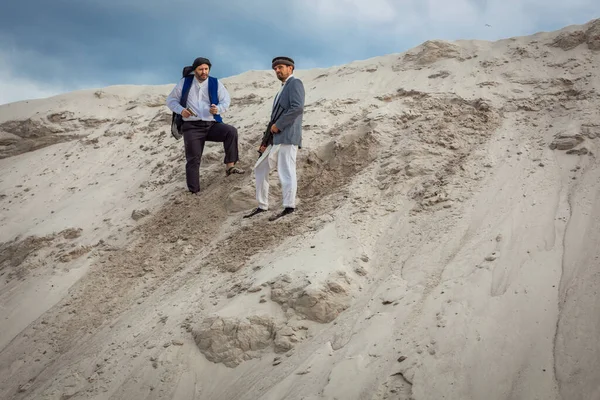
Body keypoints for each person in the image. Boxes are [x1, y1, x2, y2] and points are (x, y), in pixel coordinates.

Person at [166, 57, 244, 195]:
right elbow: (171, 100)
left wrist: (218, 109)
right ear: (195, 70)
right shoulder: (185, 82)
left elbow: (226, 101)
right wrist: (181, 110)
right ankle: (194, 191)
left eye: (206, 69)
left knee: (230, 132)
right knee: (193, 158)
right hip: (191, 127)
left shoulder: (215, 82)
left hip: (211, 124)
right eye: (201, 69)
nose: (204, 72)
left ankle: (230, 167)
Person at [244, 56, 305, 221]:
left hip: (288, 135)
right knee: (260, 167)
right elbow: (274, 118)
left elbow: (297, 108)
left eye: (281, 67)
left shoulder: (295, 83)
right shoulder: (282, 88)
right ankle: (262, 205)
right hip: (276, 138)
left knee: (286, 170)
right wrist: (266, 141)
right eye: (275, 68)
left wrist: (279, 125)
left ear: (290, 68)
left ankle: (289, 206)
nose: (277, 71)